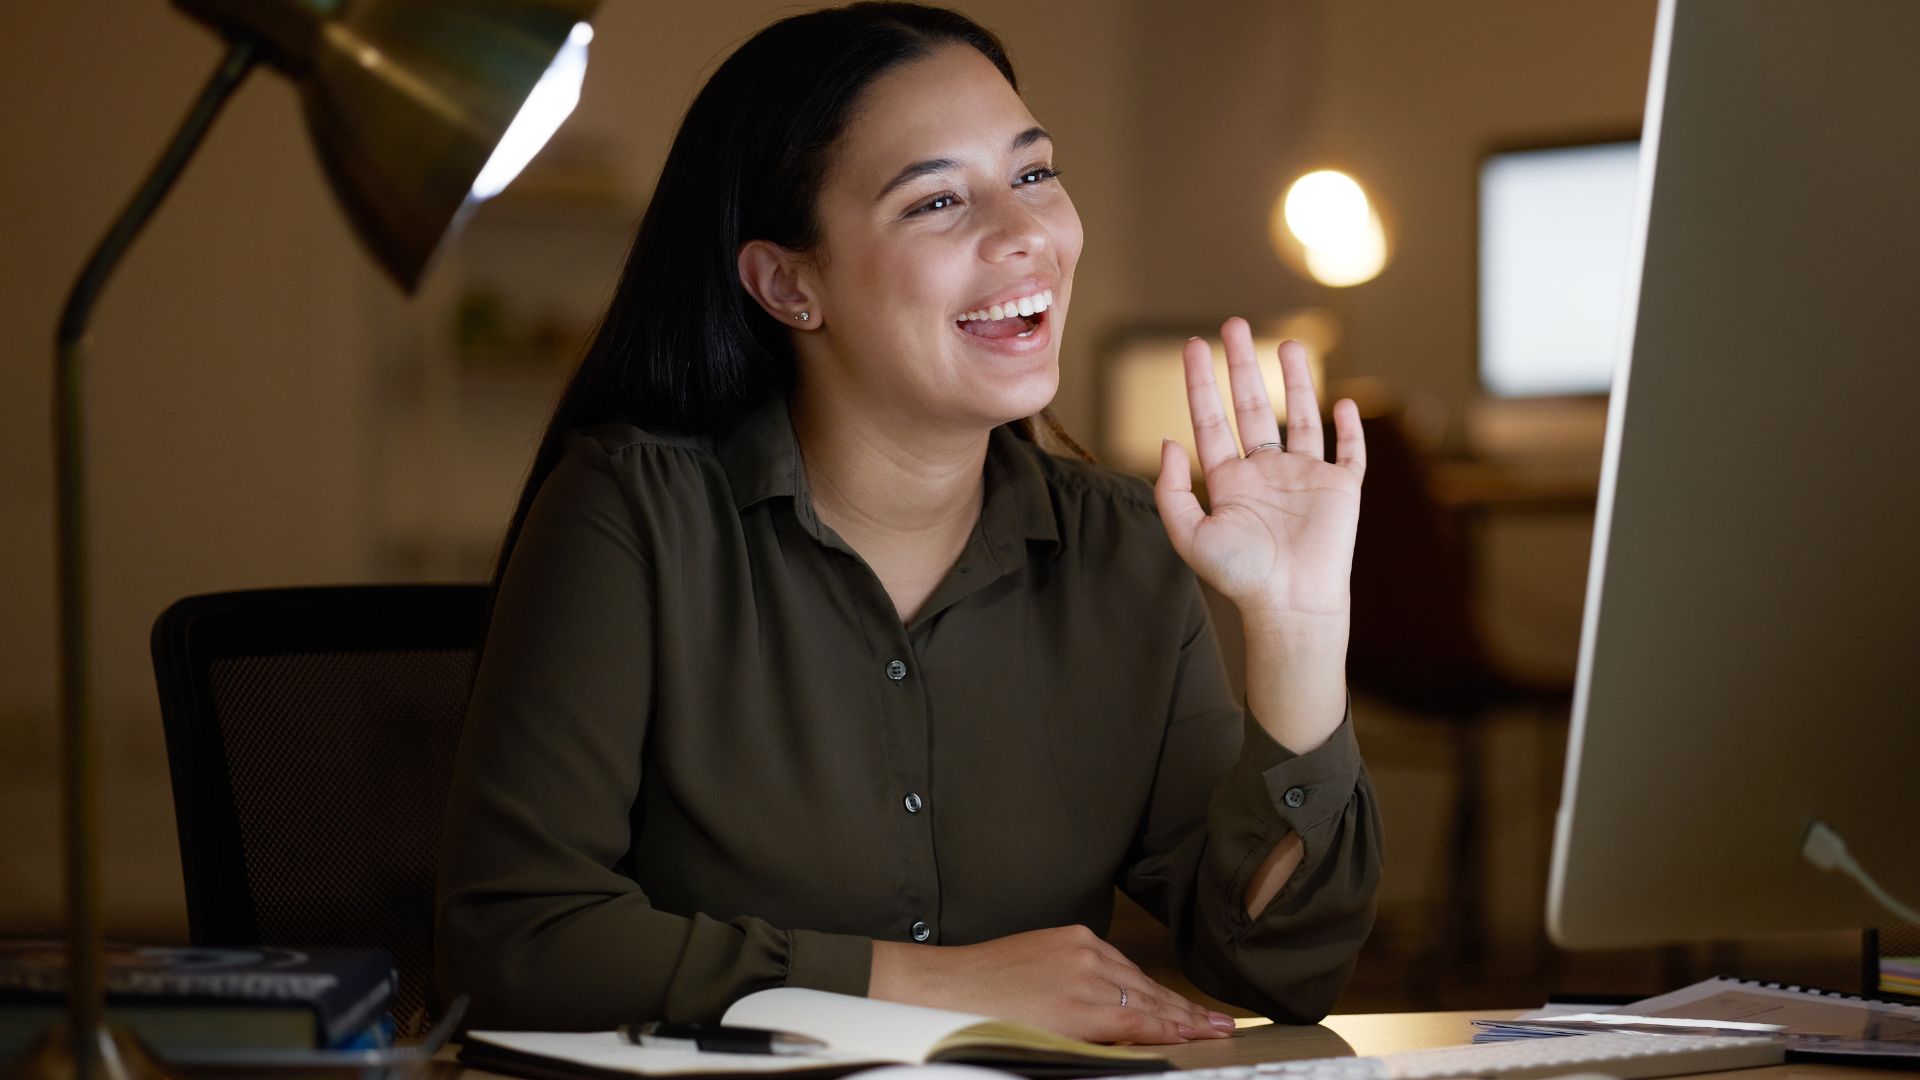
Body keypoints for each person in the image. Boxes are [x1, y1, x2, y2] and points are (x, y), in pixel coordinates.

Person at [435, 1, 1381, 1046]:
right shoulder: (633, 514)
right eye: (936, 201)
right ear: (790, 284)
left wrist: (1296, 632)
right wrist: (936, 985)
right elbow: (519, 939)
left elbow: (1281, 965)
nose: (1027, 234)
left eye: (1033, 173)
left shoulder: (1125, 552)